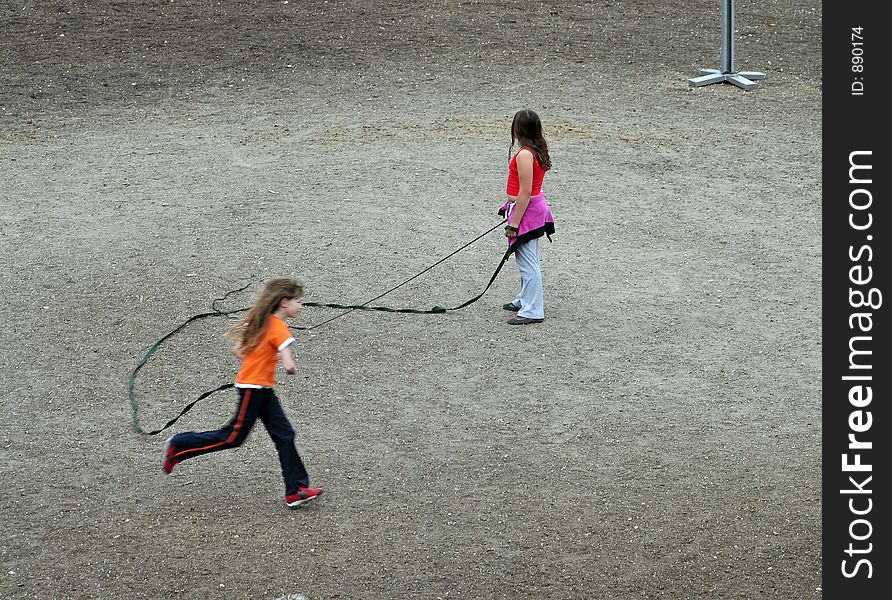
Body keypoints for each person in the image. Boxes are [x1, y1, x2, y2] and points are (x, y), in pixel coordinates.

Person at [161, 278, 322, 509]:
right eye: (298, 301)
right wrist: (284, 363)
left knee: (284, 434)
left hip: (260, 389)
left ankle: (296, 489)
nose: (301, 306)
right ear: (285, 302)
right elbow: (289, 365)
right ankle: (179, 444)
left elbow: (239, 351)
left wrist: (259, 361)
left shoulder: (259, 322)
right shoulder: (279, 328)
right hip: (253, 390)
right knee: (232, 437)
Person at [498, 109, 556, 325]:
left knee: (527, 262)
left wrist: (514, 224)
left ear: (517, 129)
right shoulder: (535, 150)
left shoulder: (524, 154)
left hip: (527, 210)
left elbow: (524, 192)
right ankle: (525, 299)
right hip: (532, 207)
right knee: (527, 257)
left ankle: (532, 310)